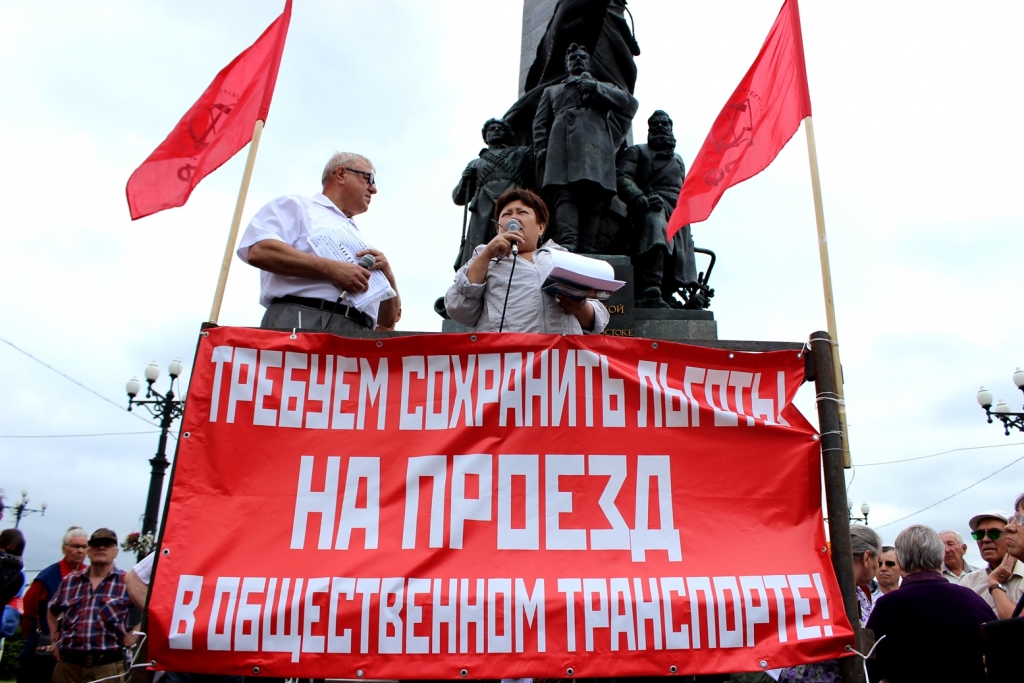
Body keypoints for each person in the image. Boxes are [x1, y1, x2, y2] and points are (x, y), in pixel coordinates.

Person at [237, 151, 400, 331]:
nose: (374, 189)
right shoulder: (298, 207)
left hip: (358, 334)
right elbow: (260, 250)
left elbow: (386, 323)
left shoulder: (363, 241)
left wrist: (388, 276)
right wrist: (333, 269)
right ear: (341, 174)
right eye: (368, 178)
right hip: (300, 319)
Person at [445, 188, 609, 334]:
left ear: (541, 227)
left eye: (522, 212)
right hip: (508, 362)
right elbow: (459, 310)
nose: (514, 217)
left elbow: (596, 321)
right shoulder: (484, 259)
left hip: (558, 362)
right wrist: (486, 255)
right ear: (498, 228)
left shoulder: (562, 259)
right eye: (507, 214)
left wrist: (580, 307)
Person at [533, 43, 638, 253]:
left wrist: (596, 87)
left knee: (596, 196)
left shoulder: (604, 87)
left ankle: (590, 246)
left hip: (596, 146)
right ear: (566, 64)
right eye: (573, 58)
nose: (578, 60)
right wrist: (541, 148)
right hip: (560, 147)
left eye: (582, 57)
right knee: (564, 193)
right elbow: (540, 123)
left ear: (589, 63)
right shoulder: (552, 91)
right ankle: (569, 243)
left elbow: (629, 104)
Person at [865, 524, 994, 683]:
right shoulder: (972, 599)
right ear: (940, 557)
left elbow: (870, 667)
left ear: (899, 560)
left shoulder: (889, 605)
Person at [617, 110, 699, 308]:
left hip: (677, 211)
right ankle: (650, 288)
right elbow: (622, 177)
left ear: (671, 129)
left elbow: (685, 189)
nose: (660, 127)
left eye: (664, 124)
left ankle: (668, 291)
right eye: (655, 124)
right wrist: (639, 197)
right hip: (651, 206)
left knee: (678, 246)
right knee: (655, 225)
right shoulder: (637, 152)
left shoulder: (678, 159)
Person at [778, 525, 881, 683]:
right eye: (878, 561)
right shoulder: (831, 589)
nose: (879, 568)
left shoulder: (849, 591)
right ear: (867, 557)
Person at [48, 528, 135, 683]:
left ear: (116, 552)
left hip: (107, 666)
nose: (101, 547)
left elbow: (153, 611)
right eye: (96, 544)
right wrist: (55, 640)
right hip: (68, 666)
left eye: (107, 544)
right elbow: (51, 610)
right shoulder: (70, 581)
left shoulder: (128, 582)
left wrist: (135, 634)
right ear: (88, 551)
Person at [452, 118, 534, 269]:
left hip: (511, 203)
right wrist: (465, 181)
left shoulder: (521, 153)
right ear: (485, 137)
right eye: (492, 129)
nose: (496, 131)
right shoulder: (475, 163)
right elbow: (458, 198)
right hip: (483, 209)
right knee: (477, 250)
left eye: (500, 129)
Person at [18, 527, 88, 683]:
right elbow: (27, 612)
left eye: (84, 547)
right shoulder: (47, 577)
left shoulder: (90, 576)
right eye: (75, 546)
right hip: (44, 652)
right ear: (64, 549)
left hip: (77, 651)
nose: (80, 551)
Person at [960, 508, 1024, 619]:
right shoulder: (969, 583)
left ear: (1010, 535)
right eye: (979, 534)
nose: (985, 539)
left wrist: (994, 583)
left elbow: (1016, 628)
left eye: (994, 533)